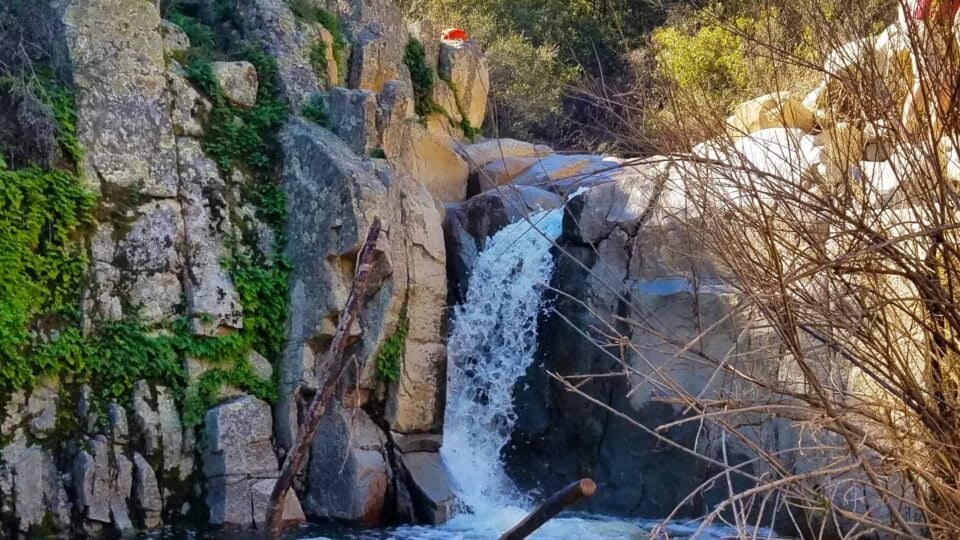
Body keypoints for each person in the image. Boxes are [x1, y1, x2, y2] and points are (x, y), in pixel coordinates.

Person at [900, 0, 960, 136]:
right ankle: (908, 142)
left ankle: (934, 144)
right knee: (928, 79)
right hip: (922, 17)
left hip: (932, 17)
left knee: (944, 84)